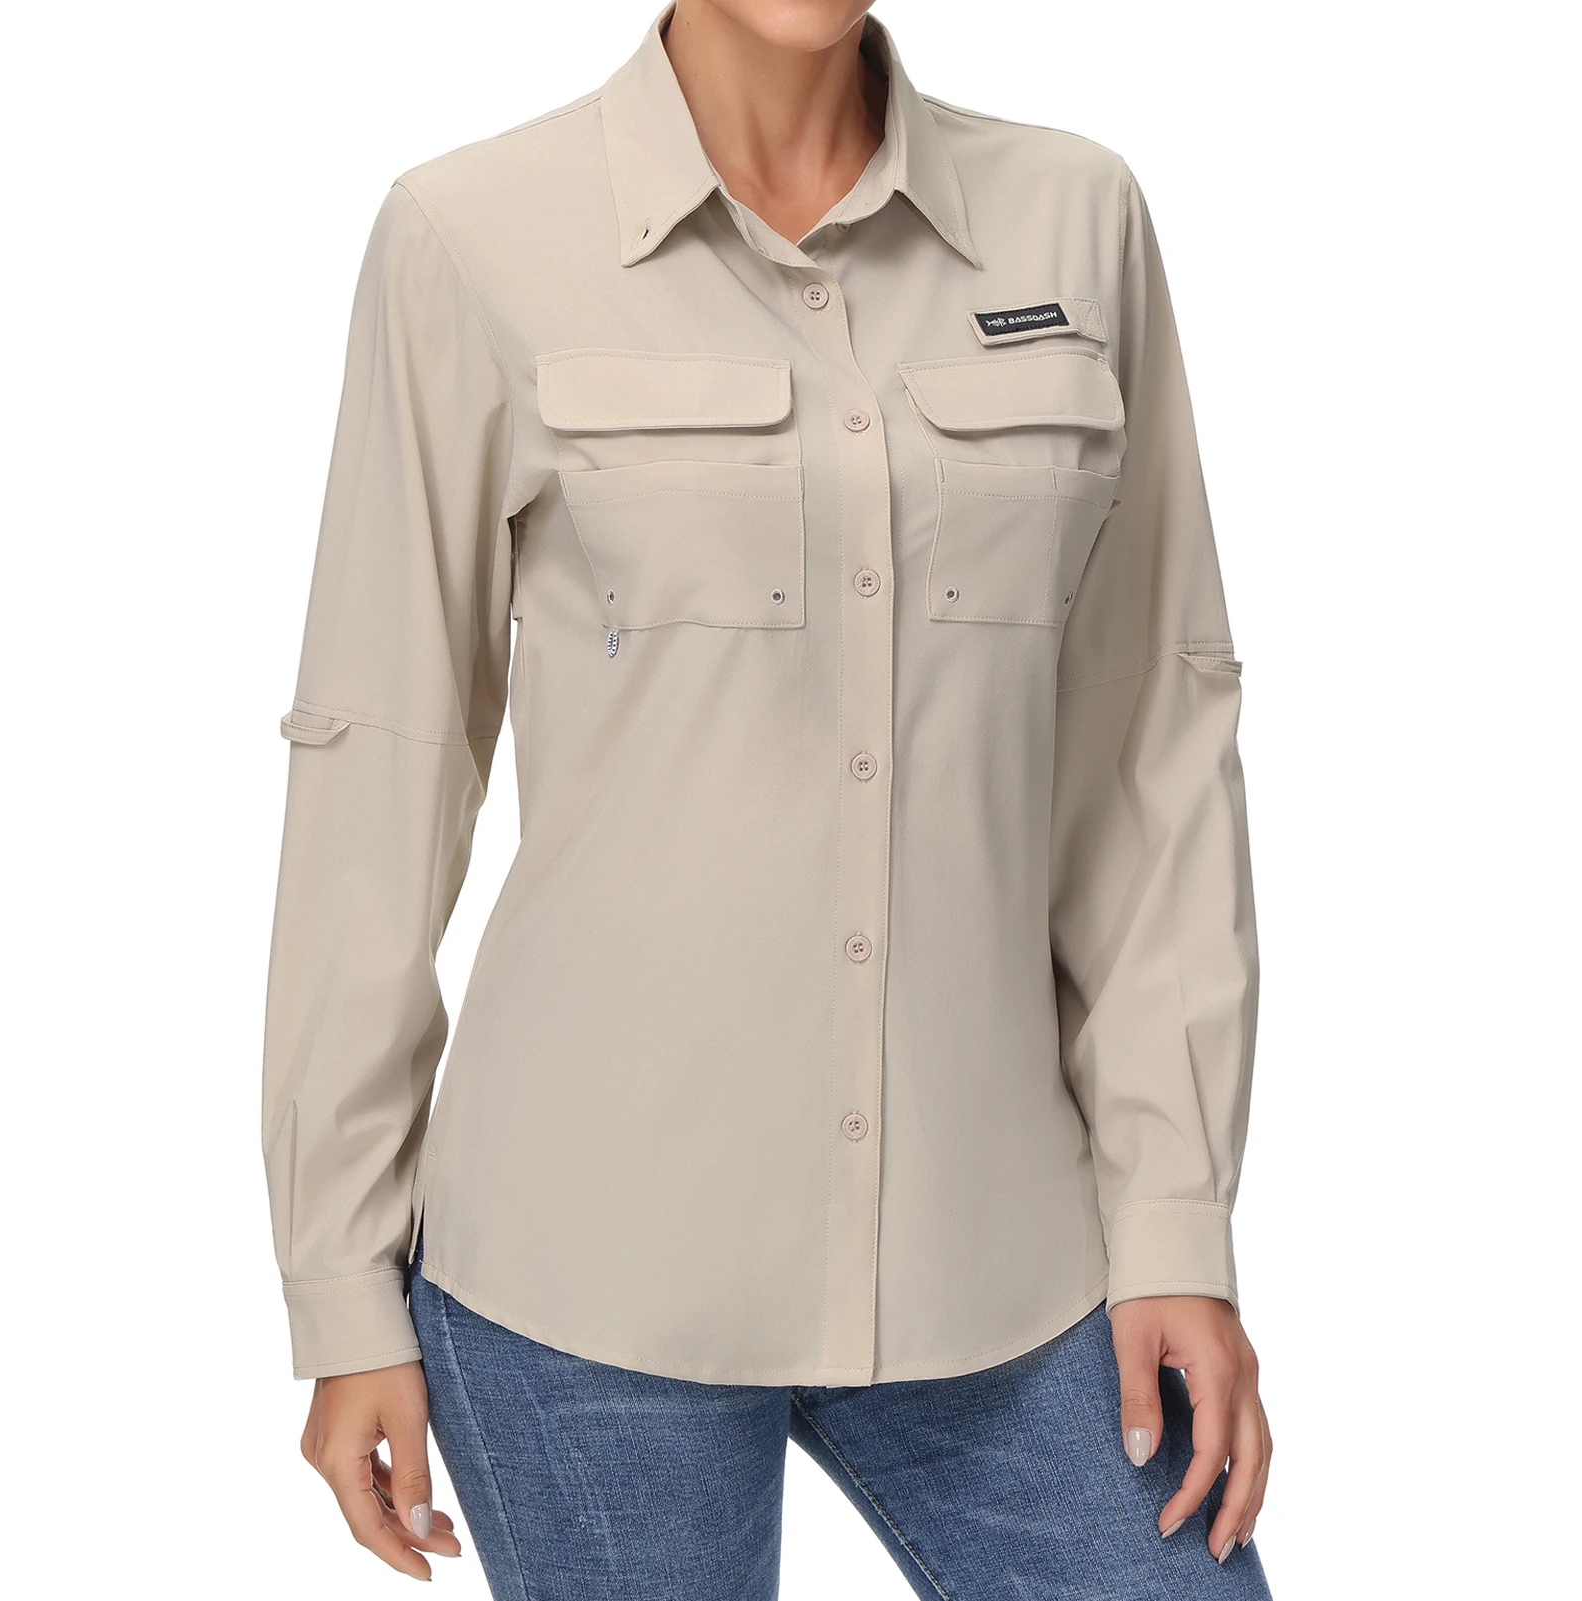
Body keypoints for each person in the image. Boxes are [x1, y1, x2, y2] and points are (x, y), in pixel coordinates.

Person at [261, 3, 1273, 1595]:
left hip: (1000, 1265)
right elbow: (380, 767)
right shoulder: (470, 236)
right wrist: (341, 1289)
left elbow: (1150, 750)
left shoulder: (1078, 217)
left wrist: (1176, 1227)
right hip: (586, 1279)